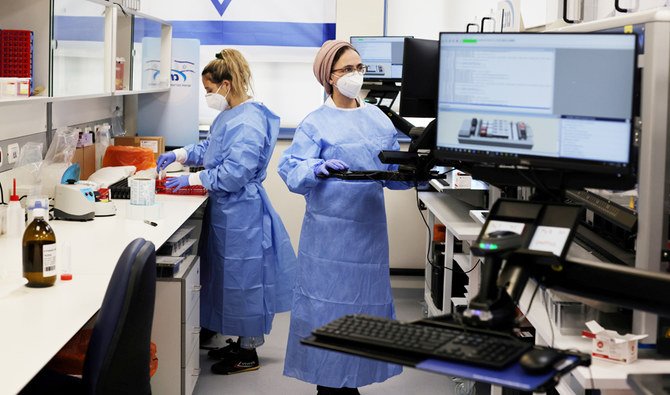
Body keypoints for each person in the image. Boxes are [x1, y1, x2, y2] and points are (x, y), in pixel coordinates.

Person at [278, 40, 412, 395]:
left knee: (363, 317)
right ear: (329, 77)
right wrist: (316, 167)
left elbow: (391, 174)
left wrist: (423, 169)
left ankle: (351, 385)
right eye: (346, 70)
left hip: (367, 239)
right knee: (327, 316)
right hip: (327, 242)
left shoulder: (378, 119)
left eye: (359, 67)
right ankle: (331, 386)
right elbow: (289, 169)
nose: (355, 75)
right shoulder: (315, 123)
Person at [156, 48, 296, 375]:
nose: (208, 96)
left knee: (244, 280)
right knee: (226, 278)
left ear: (226, 84)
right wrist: (180, 156)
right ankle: (239, 341)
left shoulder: (249, 119)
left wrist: (194, 178)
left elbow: (235, 172)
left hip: (243, 213)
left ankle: (248, 351)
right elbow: (210, 148)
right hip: (228, 211)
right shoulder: (230, 114)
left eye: (208, 90)